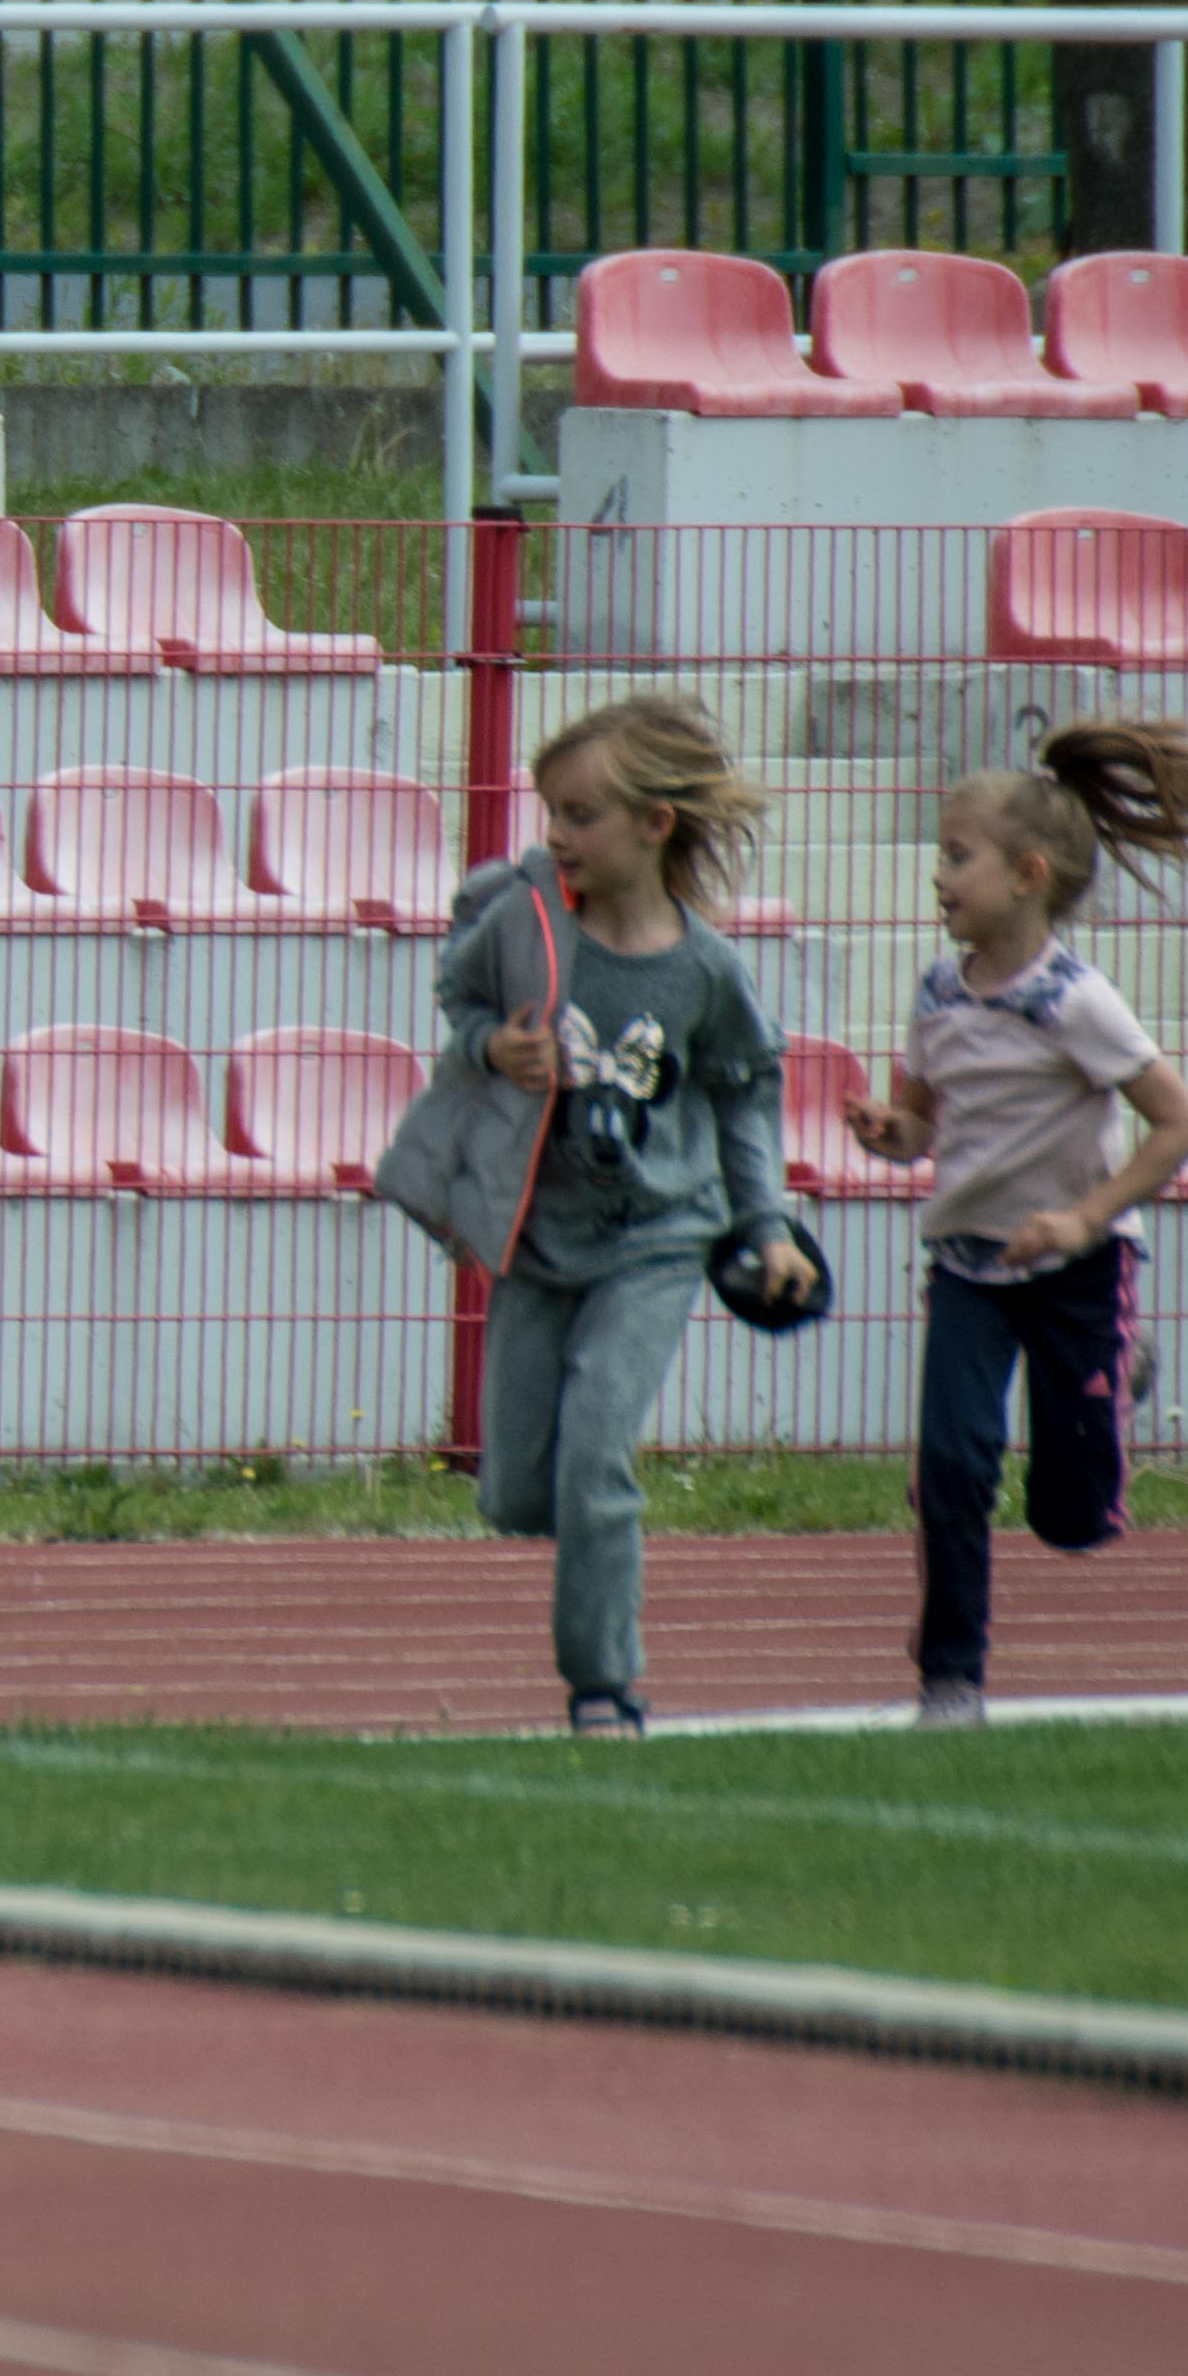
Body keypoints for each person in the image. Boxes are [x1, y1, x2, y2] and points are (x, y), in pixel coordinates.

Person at [397, 695, 810, 1735]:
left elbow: (743, 1093)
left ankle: (603, 1686)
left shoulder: (705, 969)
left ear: (653, 825)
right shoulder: (525, 923)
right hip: (539, 1241)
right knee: (515, 1497)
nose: (557, 835)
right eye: (551, 813)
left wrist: (766, 1226)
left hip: (659, 1239)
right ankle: (579, 1568)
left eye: (581, 815)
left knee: (596, 1459)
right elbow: (461, 991)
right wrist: (495, 1047)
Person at [842, 720, 1188, 1730]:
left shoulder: (1078, 1002)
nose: (939, 876)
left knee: (1070, 1520)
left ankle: (1119, 1369)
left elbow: (1179, 1124)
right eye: (940, 854)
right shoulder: (938, 991)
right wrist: (887, 1131)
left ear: (1028, 874)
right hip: (966, 1270)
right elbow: (923, 1125)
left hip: (1073, 1274)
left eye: (958, 856)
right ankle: (952, 1678)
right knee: (951, 1465)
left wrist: (1082, 1218)